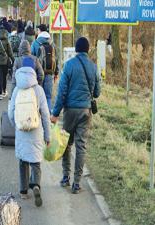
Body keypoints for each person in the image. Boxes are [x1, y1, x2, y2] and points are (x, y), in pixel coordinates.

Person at [51, 37, 101, 194]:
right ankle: (77, 183)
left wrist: (55, 113)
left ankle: (65, 177)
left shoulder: (69, 65)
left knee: (66, 143)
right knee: (81, 146)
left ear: (76, 49)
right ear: (87, 50)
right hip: (85, 112)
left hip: (70, 111)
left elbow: (62, 92)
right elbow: (97, 93)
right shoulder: (93, 67)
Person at [8, 65, 50, 207]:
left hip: (21, 131)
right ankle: (36, 185)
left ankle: (23, 191)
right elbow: (45, 113)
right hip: (36, 131)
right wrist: (47, 135)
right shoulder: (39, 90)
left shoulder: (16, 90)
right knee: (36, 161)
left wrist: (17, 126)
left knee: (23, 161)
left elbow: (10, 112)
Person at [31, 24, 59, 112]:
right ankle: (48, 116)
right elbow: (56, 58)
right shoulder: (52, 43)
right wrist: (56, 73)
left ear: (40, 31)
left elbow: (32, 57)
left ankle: (38, 115)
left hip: (38, 74)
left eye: (37, 30)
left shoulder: (35, 43)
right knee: (48, 96)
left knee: (38, 95)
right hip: (50, 73)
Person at [0, 26, 14, 100]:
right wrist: (13, 59)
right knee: (4, 76)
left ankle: (0, 93)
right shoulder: (7, 40)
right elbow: (10, 51)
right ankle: (4, 91)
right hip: (5, 61)